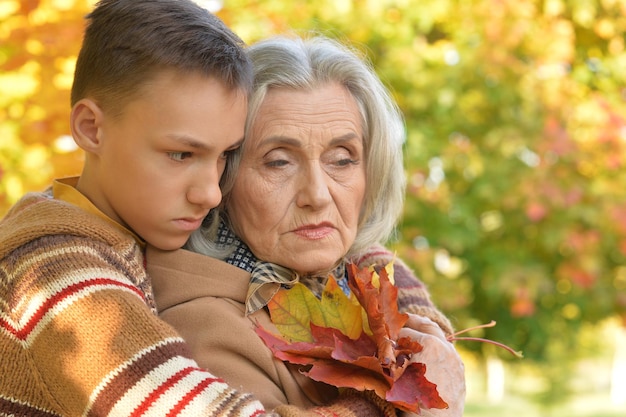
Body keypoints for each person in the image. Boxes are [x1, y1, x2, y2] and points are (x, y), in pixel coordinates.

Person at [0, 2, 395, 416]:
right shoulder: (60, 275)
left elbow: (349, 249)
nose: (211, 193)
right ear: (91, 129)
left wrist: (421, 329)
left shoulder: (119, 225)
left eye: (225, 155)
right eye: (182, 154)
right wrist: (395, 396)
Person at [147, 35, 465, 417]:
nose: (316, 194)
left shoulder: (368, 280)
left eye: (342, 159)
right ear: (223, 179)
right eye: (278, 161)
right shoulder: (204, 326)